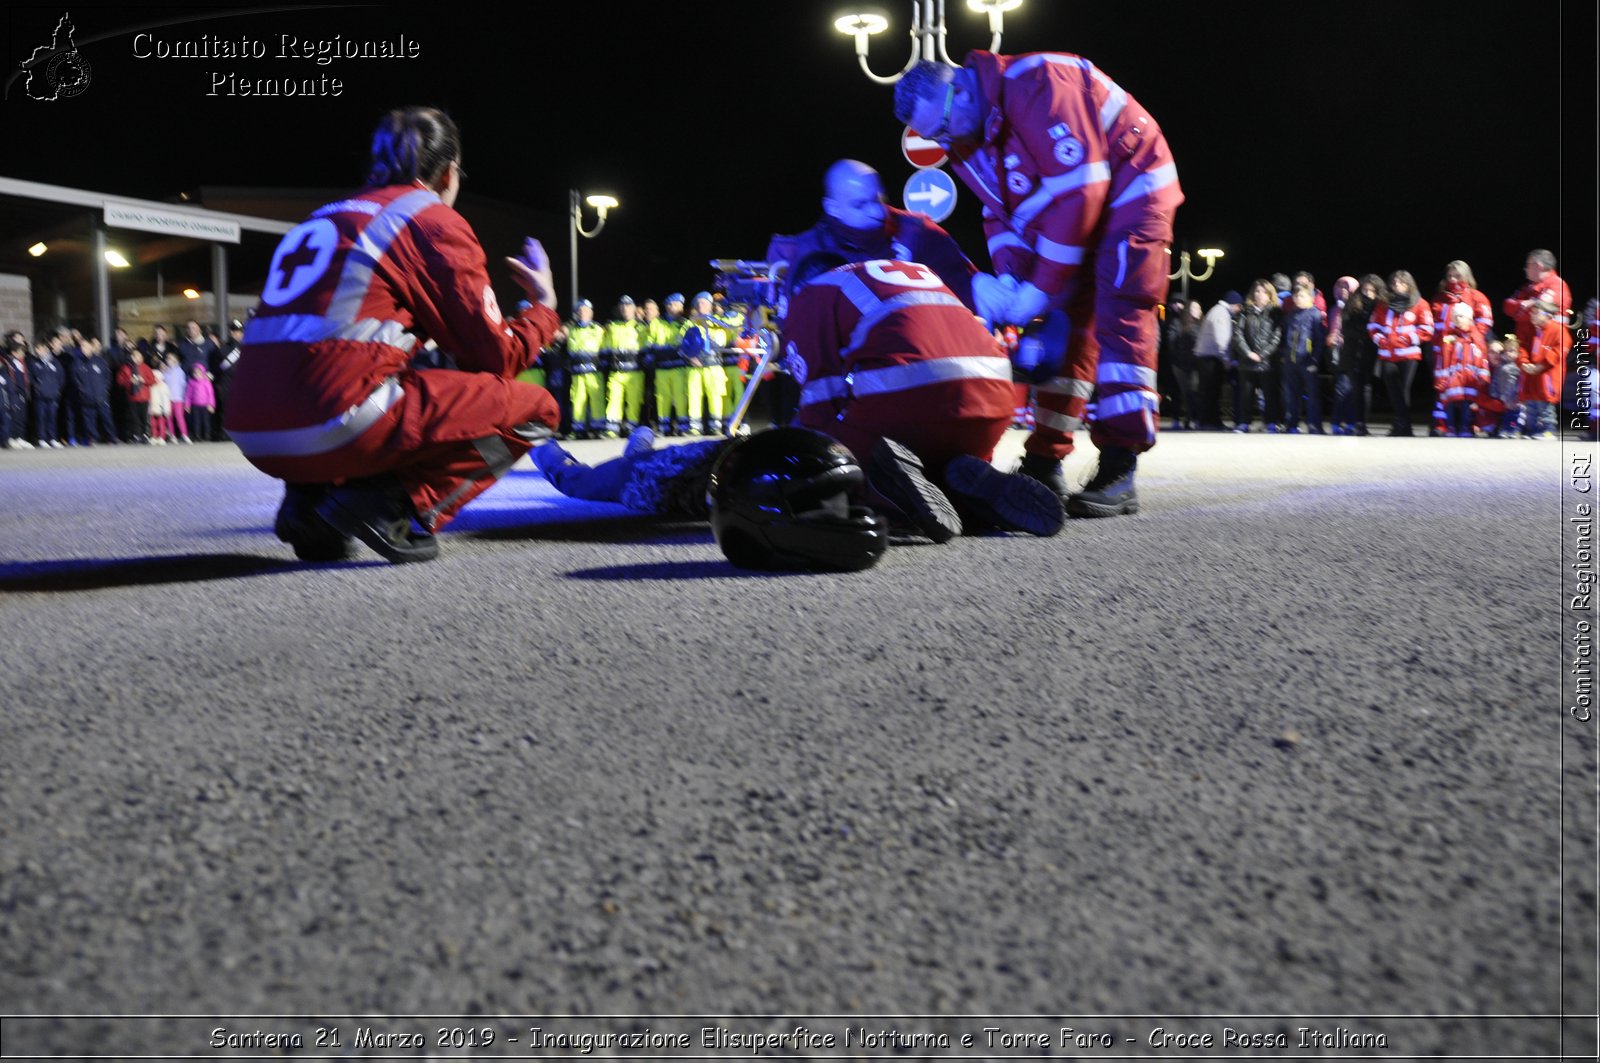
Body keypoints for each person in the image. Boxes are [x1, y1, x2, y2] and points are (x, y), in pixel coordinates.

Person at [224, 106, 562, 564]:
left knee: (369, 370)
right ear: (448, 173)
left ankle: (311, 505)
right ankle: (395, 507)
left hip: (252, 429)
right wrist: (544, 309)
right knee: (535, 410)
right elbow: (495, 358)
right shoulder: (430, 219)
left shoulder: (324, 216)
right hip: (333, 424)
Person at [893, 52, 1183, 518]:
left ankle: (1119, 466)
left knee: (1121, 316)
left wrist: (1040, 285)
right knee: (1063, 328)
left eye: (942, 129)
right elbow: (1001, 213)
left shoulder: (1040, 82)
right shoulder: (966, 135)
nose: (943, 144)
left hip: (1133, 189)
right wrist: (1012, 276)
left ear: (961, 91)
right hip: (1075, 204)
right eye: (934, 138)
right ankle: (1045, 459)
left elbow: (1082, 187)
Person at [782, 254, 1064, 538]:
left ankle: (889, 496)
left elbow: (819, 405)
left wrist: (809, 460)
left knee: (834, 470)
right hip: (994, 398)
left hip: (912, 400)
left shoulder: (811, 293)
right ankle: (966, 495)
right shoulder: (914, 270)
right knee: (941, 458)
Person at [532, 426, 890, 572]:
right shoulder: (741, 482)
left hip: (674, 466)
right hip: (643, 478)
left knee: (639, 455)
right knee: (574, 481)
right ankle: (535, 437)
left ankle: (641, 435)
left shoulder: (747, 467)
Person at [764, 159, 977, 312]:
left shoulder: (919, 232)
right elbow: (798, 331)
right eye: (861, 205)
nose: (876, 212)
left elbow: (972, 295)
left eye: (878, 200)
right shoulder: (809, 252)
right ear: (833, 208)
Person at [1367, 269, 1434, 436]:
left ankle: (1402, 426)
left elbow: (1427, 329)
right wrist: (1380, 339)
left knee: (1403, 389)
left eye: (1402, 283)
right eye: (1395, 283)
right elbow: (1372, 326)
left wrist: (1408, 339)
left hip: (1409, 354)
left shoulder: (1420, 304)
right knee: (1394, 391)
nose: (1397, 286)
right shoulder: (1383, 304)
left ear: (1409, 285)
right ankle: (1402, 424)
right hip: (1388, 354)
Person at [1231, 280, 1281, 433]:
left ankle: (1271, 422)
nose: (1260, 295)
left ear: (1270, 295)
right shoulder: (1245, 312)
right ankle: (1244, 423)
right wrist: (1248, 353)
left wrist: (1263, 354)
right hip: (1247, 361)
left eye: (1264, 292)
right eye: (1257, 291)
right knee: (1246, 394)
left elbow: (1277, 337)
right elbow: (1237, 334)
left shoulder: (1275, 313)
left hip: (1268, 362)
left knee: (1270, 394)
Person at [1434, 302, 1491, 436]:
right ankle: (1451, 427)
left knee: (1467, 404)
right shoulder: (1449, 337)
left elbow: (1482, 358)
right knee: (1451, 403)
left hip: (1470, 378)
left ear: (1469, 318)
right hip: (1453, 378)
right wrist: (1442, 379)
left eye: (1461, 316)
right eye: (1456, 317)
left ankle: (1466, 427)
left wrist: (1483, 376)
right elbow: (1443, 359)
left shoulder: (1477, 338)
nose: (1458, 319)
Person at [1519, 298, 1570, 439]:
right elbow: (1523, 347)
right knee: (1531, 403)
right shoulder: (1532, 330)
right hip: (1532, 374)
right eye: (1532, 313)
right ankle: (1533, 429)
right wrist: (1524, 362)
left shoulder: (1559, 330)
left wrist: (1541, 366)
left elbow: (1558, 352)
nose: (1532, 316)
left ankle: (1549, 430)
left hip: (1547, 375)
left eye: (1535, 313)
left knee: (1545, 405)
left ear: (1547, 315)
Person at [1503, 249, 1572, 352]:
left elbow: (1539, 309)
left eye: (1528, 264)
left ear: (1538, 266)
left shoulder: (1557, 285)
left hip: (1547, 345)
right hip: (1525, 345)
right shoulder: (1528, 287)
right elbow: (1507, 306)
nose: (1525, 268)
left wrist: (1522, 309)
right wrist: (1525, 304)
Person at [1192, 290, 1241, 431]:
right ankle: (1210, 422)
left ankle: (1207, 421)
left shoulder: (1216, 310)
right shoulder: (1222, 314)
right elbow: (1222, 341)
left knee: (1208, 392)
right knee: (1211, 392)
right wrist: (1227, 362)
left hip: (1205, 358)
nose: (1238, 310)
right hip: (1210, 359)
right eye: (1239, 306)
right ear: (1234, 304)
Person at [1280, 285, 1326, 433]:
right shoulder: (1291, 315)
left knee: (1312, 395)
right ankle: (1292, 423)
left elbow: (1319, 340)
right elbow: (1284, 337)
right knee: (1292, 395)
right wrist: (1284, 355)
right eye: (1296, 296)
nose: (1298, 299)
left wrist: (1314, 360)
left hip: (1307, 361)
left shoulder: (1315, 314)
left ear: (1311, 299)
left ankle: (1314, 424)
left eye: (1302, 296)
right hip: (1290, 361)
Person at [644, 293, 692, 435]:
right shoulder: (657, 323)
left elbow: (689, 347)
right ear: (668, 306)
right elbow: (649, 343)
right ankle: (664, 427)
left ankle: (683, 427)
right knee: (663, 397)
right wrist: (650, 357)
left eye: (679, 305)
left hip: (679, 368)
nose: (677, 308)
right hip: (662, 368)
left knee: (680, 397)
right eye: (674, 305)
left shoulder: (686, 324)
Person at [599, 295, 644, 438]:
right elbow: (605, 347)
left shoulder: (640, 327)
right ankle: (612, 428)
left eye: (628, 306)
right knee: (613, 399)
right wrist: (605, 362)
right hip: (616, 371)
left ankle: (631, 427)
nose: (625, 309)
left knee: (634, 400)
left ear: (634, 308)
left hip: (634, 372)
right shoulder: (612, 326)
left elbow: (647, 348)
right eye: (622, 306)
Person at [564, 299, 604, 438]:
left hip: (594, 371)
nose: (583, 313)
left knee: (596, 399)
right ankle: (578, 429)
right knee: (577, 400)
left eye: (586, 310)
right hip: (577, 373)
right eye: (580, 310)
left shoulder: (598, 329)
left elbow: (603, 350)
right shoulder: (572, 330)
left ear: (591, 313)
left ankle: (598, 428)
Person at [26, 337, 64, 447]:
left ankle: (52, 438)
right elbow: (31, 378)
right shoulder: (34, 363)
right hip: (40, 396)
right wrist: (37, 388)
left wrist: (57, 389)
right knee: (40, 417)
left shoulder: (55, 362)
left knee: (52, 417)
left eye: (39, 348)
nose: (37, 351)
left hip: (53, 395)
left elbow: (61, 377)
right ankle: (42, 438)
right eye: (36, 349)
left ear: (45, 349)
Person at [161, 352, 191, 443]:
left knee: (179, 416)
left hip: (178, 398)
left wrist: (185, 399)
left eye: (170, 358)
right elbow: (163, 383)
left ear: (175, 360)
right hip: (168, 398)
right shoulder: (165, 372)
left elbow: (183, 385)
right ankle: (172, 435)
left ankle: (184, 434)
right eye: (167, 358)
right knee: (169, 417)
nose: (168, 360)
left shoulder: (179, 371)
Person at [186, 361, 216, 443]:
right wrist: (187, 405)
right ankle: (197, 435)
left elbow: (210, 394)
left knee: (206, 421)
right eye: (195, 373)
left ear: (202, 373)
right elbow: (188, 395)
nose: (197, 375)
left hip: (205, 405)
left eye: (199, 373)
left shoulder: (206, 382)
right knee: (196, 421)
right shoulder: (191, 382)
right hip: (195, 405)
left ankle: (207, 435)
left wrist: (211, 405)